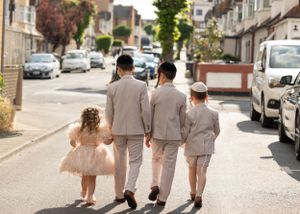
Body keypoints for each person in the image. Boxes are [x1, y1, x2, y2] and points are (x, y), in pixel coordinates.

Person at [105, 55, 151, 210]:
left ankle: (119, 195)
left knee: (119, 162)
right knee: (136, 161)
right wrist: (148, 129)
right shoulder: (141, 85)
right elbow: (145, 110)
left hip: (117, 130)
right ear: (133, 68)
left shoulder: (112, 87)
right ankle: (130, 188)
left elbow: (108, 113)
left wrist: (109, 130)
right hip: (136, 130)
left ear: (118, 69)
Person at [146, 62, 187, 206]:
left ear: (161, 75)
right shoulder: (182, 96)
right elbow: (183, 120)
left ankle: (155, 184)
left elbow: (149, 116)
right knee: (169, 166)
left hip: (157, 134)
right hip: (174, 135)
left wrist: (148, 134)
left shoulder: (155, 93)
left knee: (156, 159)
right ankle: (162, 198)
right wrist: (181, 135)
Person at [59, 107, 114, 205]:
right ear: (97, 118)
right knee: (93, 177)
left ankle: (84, 192)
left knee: (84, 175)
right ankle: (90, 196)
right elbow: (107, 142)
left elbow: (72, 142)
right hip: (96, 154)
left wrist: (77, 147)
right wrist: (112, 137)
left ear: (84, 117)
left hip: (82, 153)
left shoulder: (79, 129)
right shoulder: (100, 129)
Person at [182, 82, 220, 208]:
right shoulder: (214, 113)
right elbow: (217, 130)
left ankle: (192, 192)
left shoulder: (189, 113)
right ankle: (199, 194)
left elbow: (185, 132)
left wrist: (180, 143)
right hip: (206, 146)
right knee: (202, 170)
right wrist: (213, 138)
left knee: (191, 169)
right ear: (206, 96)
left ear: (192, 97)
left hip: (191, 146)